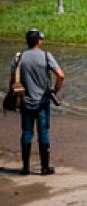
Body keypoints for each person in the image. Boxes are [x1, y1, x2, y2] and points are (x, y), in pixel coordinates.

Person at [13, 29, 63, 176]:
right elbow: (61, 75)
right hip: (42, 102)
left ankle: (25, 168)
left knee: (26, 133)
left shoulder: (19, 57)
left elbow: (13, 80)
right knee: (43, 133)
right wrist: (55, 90)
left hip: (25, 102)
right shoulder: (46, 56)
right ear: (39, 41)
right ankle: (45, 167)